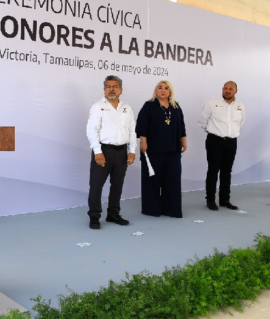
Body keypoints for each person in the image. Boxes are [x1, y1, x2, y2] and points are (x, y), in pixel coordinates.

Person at [86, 75, 136, 230]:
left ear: (121, 90)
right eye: (108, 86)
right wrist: (97, 152)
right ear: (104, 90)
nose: (111, 89)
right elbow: (92, 130)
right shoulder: (98, 107)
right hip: (104, 151)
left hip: (122, 151)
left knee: (117, 185)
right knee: (96, 185)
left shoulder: (127, 108)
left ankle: (113, 214)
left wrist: (132, 151)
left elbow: (132, 131)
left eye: (115, 86)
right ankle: (94, 216)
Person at [136, 80, 187, 218]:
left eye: (166, 88)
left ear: (170, 91)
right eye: (160, 88)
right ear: (155, 90)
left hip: (173, 149)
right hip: (153, 149)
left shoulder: (176, 106)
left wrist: (184, 139)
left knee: (172, 179)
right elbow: (142, 124)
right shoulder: (149, 106)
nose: (163, 90)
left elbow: (181, 125)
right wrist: (143, 141)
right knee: (152, 180)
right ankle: (152, 209)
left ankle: (171, 209)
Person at [198, 81, 245, 211]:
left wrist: (230, 133)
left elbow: (240, 122)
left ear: (236, 91)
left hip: (232, 142)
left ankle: (224, 200)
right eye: (225, 88)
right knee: (213, 170)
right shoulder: (213, 103)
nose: (227, 91)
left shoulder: (240, 105)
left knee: (227, 171)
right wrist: (213, 131)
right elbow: (202, 120)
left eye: (230, 89)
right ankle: (210, 200)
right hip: (215, 141)